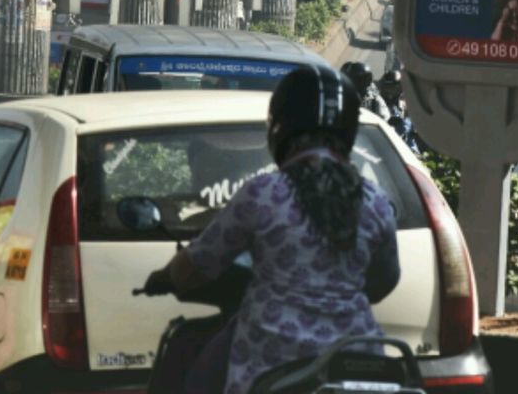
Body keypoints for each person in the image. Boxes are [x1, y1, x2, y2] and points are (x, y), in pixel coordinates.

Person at [147, 67, 400, 394]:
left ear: (281, 127)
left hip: (270, 359)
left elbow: (199, 262)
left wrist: (166, 276)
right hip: (356, 359)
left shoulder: (262, 193)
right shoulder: (376, 200)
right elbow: (385, 278)